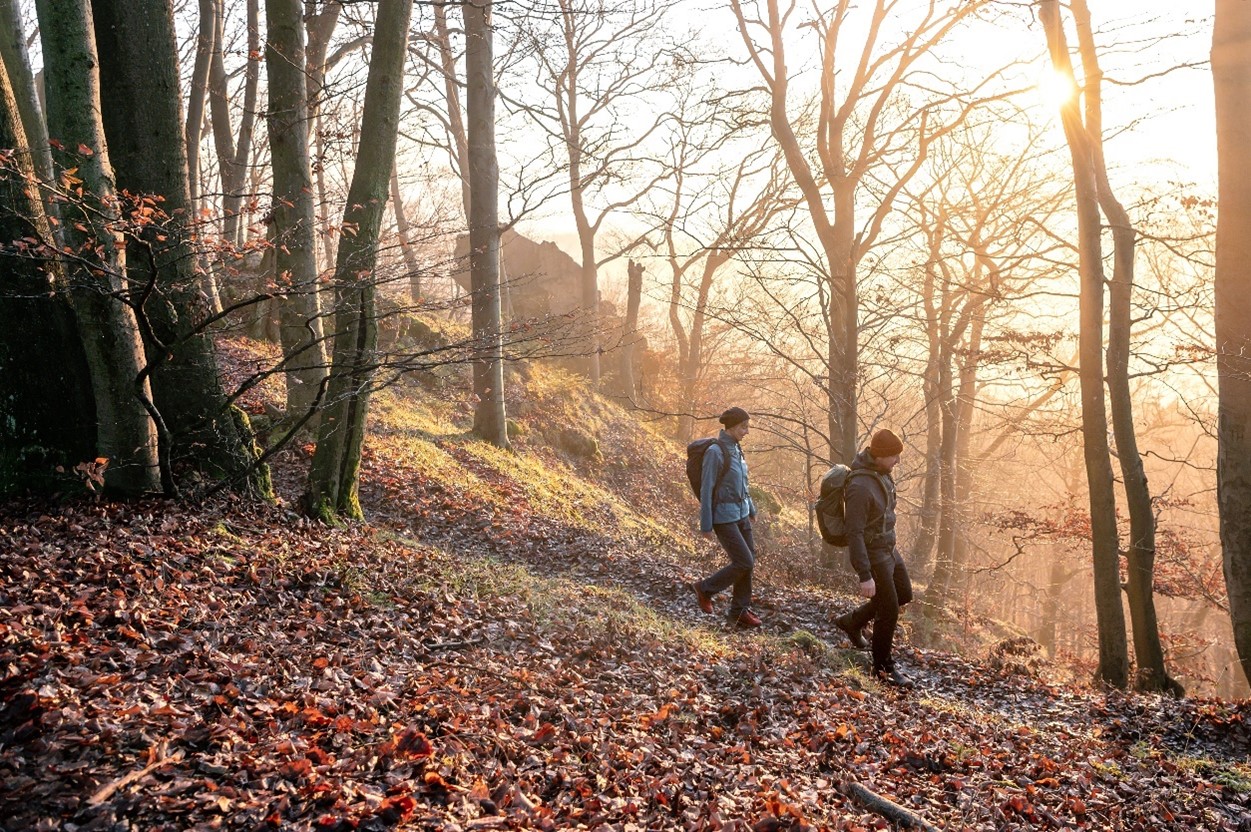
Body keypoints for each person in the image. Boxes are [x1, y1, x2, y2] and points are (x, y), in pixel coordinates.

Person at [833, 428, 915, 687]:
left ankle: (852, 621)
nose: (897, 461)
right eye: (893, 456)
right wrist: (865, 574)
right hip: (873, 553)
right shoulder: (859, 486)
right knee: (888, 609)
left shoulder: (883, 475)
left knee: (904, 594)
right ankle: (883, 668)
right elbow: (854, 533)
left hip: (889, 548)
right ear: (878, 456)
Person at [687, 407, 761, 628]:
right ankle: (705, 588)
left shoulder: (737, 449)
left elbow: (743, 485)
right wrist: (706, 524)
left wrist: (751, 509)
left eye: (747, 427)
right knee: (743, 561)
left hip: (741, 514)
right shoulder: (715, 453)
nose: (746, 431)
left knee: (749, 560)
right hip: (723, 517)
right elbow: (707, 489)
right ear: (730, 427)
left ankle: (739, 612)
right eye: (743, 427)